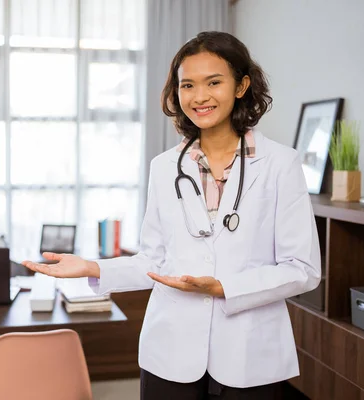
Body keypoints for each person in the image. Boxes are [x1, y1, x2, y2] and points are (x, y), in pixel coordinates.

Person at [22, 31, 321, 400]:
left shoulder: (280, 164)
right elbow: (154, 260)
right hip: (171, 350)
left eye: (214, 82)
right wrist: (92, 268)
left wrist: (224, 287)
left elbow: (301, 268)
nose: (200, 96)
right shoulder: (165, 167)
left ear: (242, 85)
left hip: (249, 353)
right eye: (187, 85)